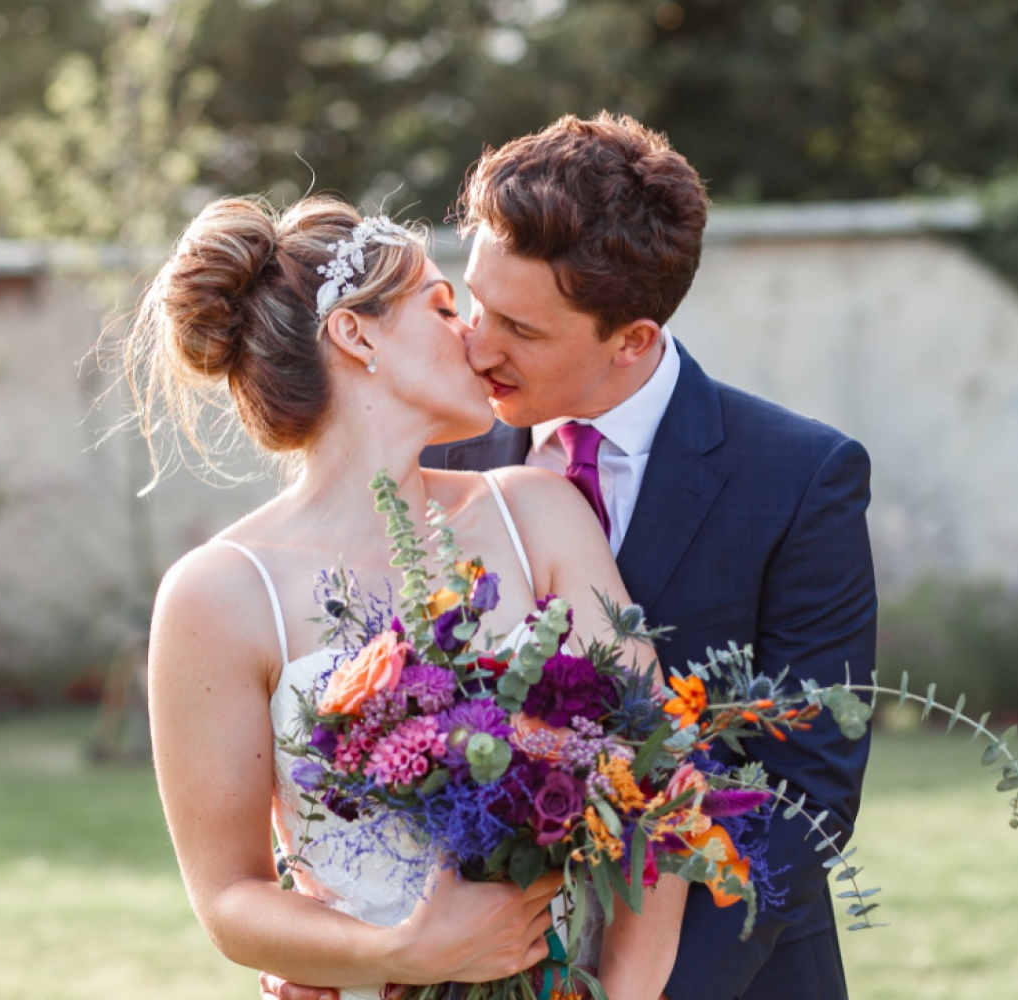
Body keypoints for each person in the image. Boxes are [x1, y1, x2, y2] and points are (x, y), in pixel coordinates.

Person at [264, 113, 875, 1000]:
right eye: (473, 301)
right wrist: (339, 940)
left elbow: (805, 799)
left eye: (520, 326)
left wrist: (610, 983)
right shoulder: (436, 447)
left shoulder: (801, 476)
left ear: (631, 338)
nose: (475, 343)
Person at [132, 194, 685, 1000]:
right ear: (356, 335)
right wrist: (399, 953)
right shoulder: (216, 594)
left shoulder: (538, 511)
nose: (474, 334)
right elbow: (228, 899)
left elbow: (658, 774)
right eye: (440, 306)